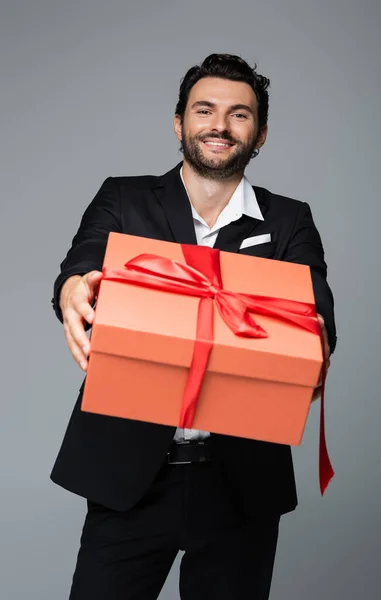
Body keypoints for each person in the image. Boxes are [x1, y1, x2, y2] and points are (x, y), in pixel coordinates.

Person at [50, 53, 337, 600]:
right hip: (129, 476)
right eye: (204, 110)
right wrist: (71, 287)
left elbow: (314, 299)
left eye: (239, 115)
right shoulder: (123, 197)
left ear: (261, 135)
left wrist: (314, 342)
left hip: (242, 483)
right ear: (179, 123)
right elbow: (83, 262)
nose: (219, 126)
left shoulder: (288, 220)